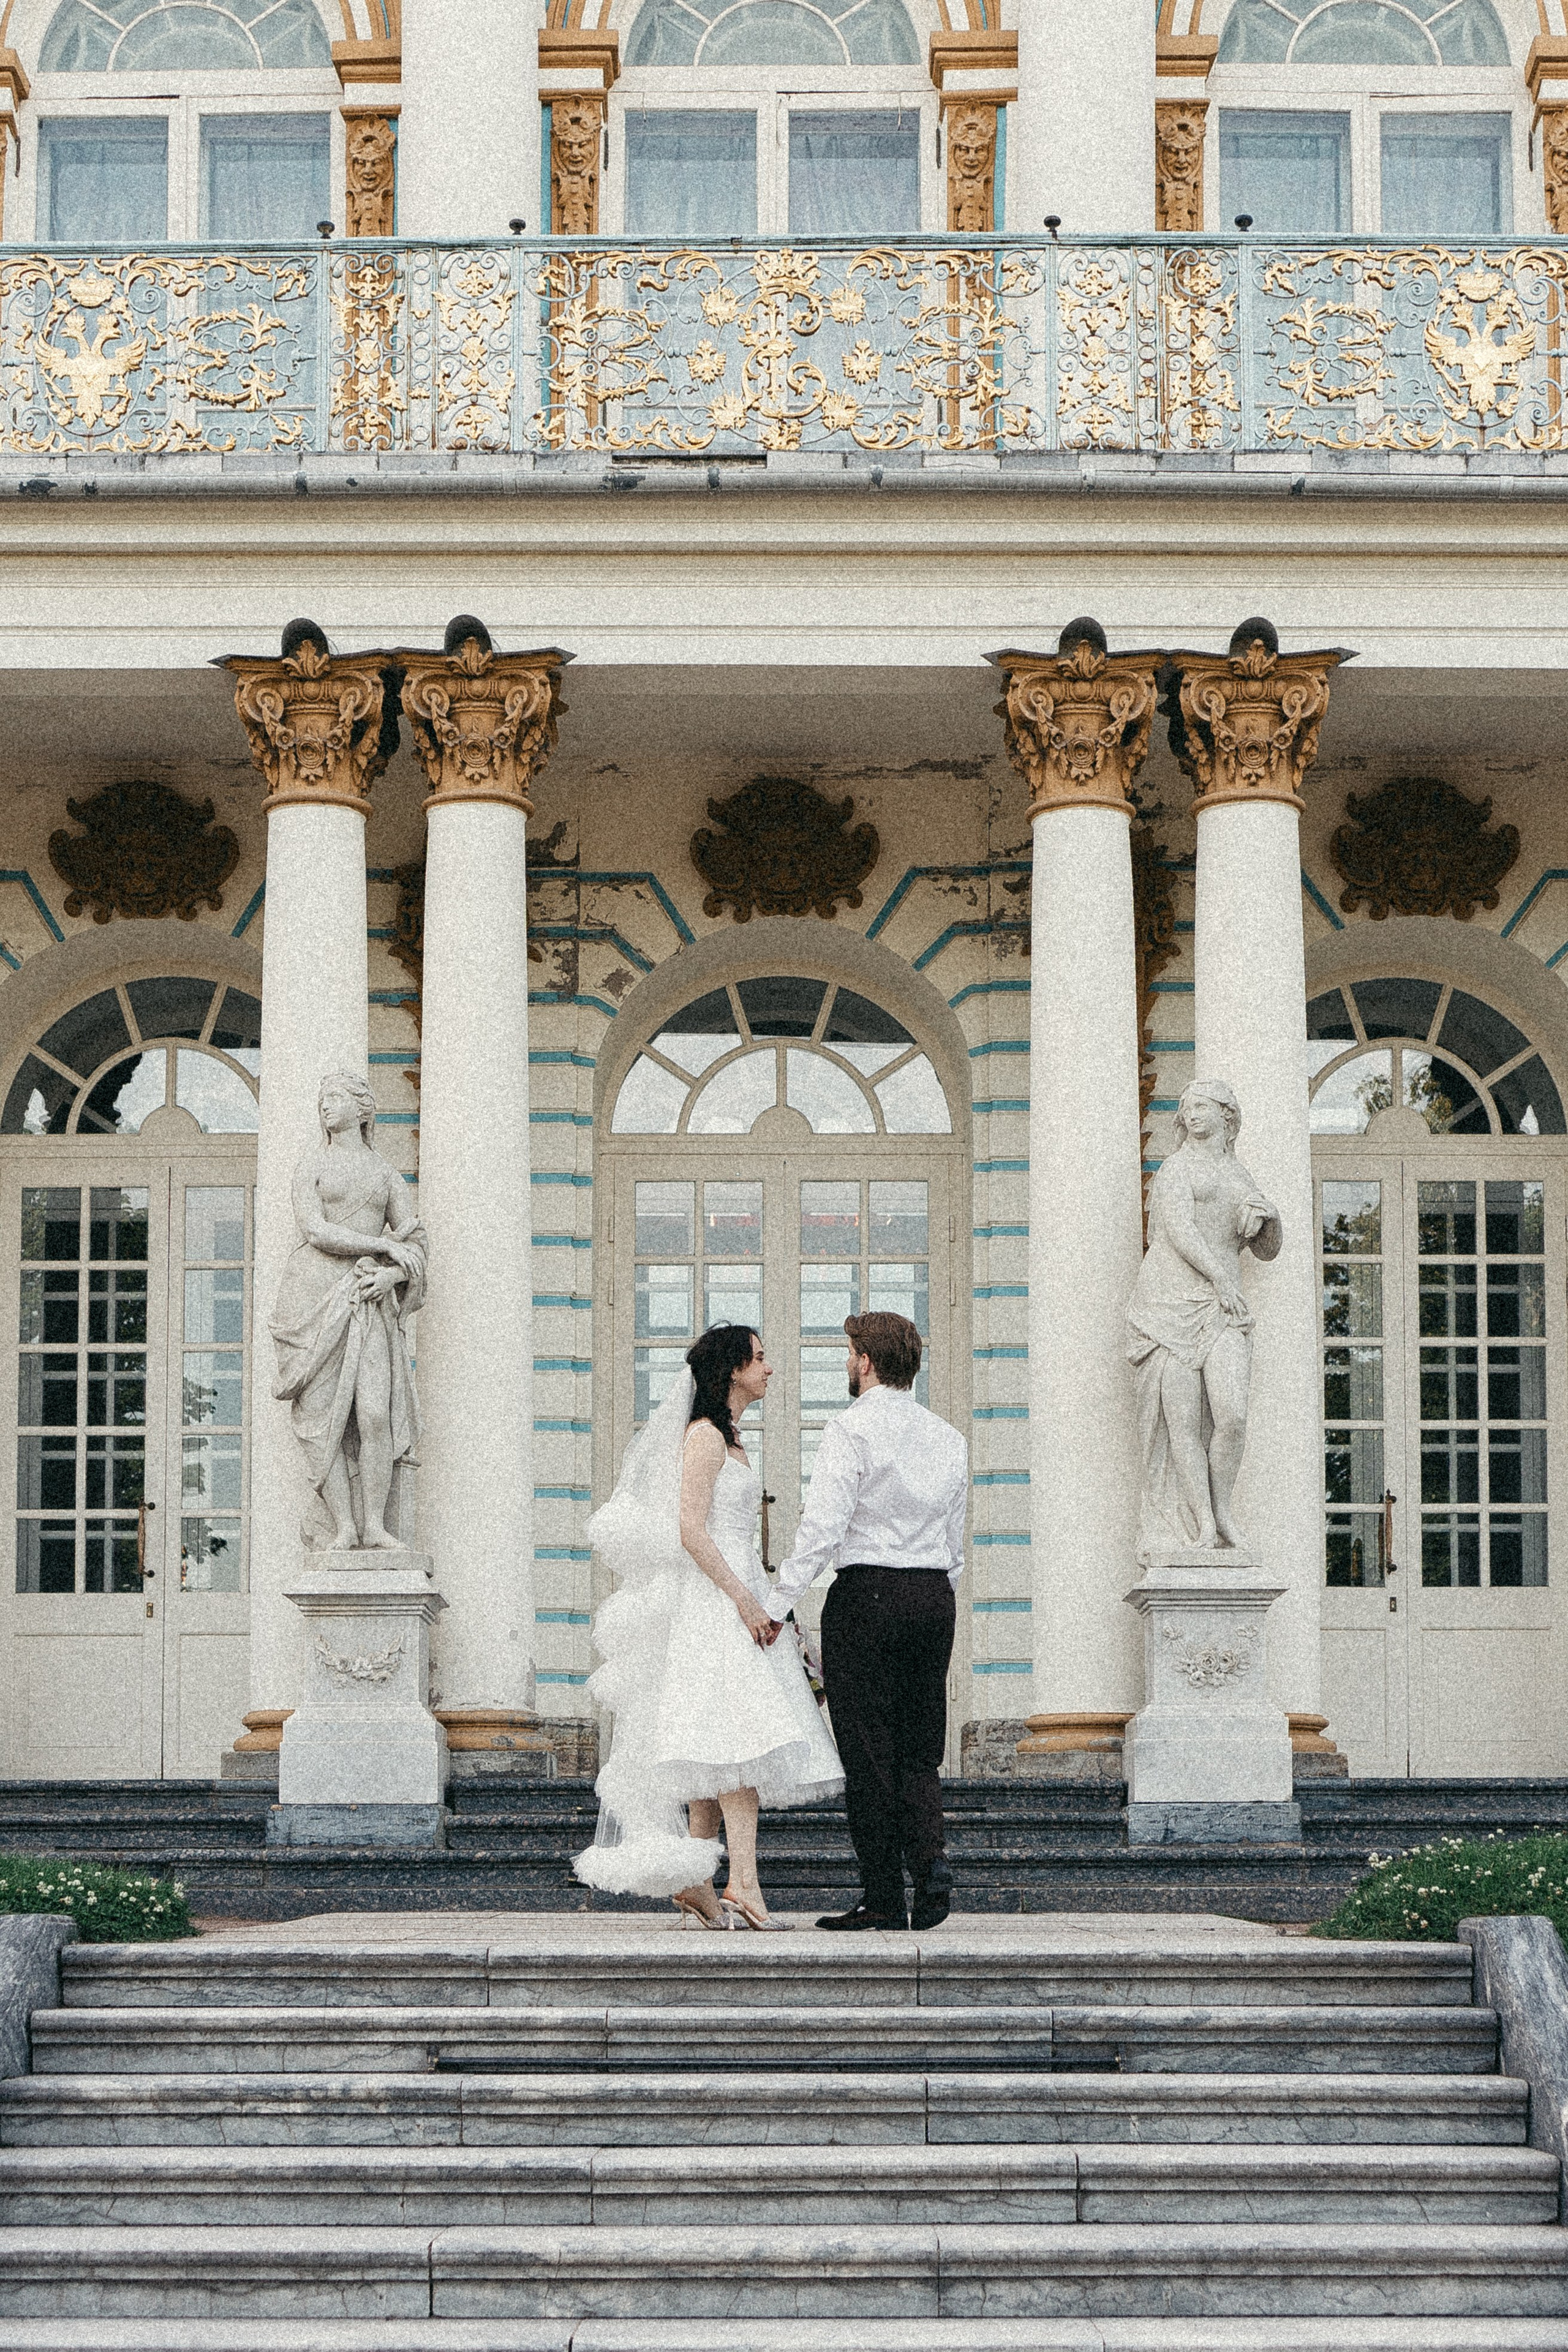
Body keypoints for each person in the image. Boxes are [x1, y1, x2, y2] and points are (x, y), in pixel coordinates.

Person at [574, 1322, 843, 1929]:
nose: (770, 1369)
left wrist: (769, 1604)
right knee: (737, 1746)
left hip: (741, 1594)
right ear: (732, 1371)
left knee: (714, 1747)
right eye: (761, 1358)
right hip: (716, 1603)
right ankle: (743, 1884)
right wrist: (745, 1600)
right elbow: (690, 1530)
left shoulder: (732, 1440)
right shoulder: (703, 1439)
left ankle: (697, 1879)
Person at [764, 1311, 968, 1933]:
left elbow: (823, 1527)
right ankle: (929, 1867)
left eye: (849, 1353)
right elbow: (954, 1540)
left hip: (867, 1596)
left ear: (865, 1362)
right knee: (919, 1749)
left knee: (869, 1752)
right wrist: (934, 1588)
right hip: (932, 1597)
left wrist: (777, 1605)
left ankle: (883, 1896)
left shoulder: (849, 1429)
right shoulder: (948, 1436)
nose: (845, 1363)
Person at [1125, 1077, 1281, 1561]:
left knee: (1232, 1414)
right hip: (1170, 1302)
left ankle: (1224, 1510)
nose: (1191, 1114)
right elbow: (1179, 1231)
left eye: (1201, 1106)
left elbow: (1267, 1251)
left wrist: (1271, 1219)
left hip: (1222, 1305)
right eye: (1186, 1107)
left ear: (1227, 1116)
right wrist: (1221, 1280)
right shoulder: (1177, 1168)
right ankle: (1204, 1526)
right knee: (1182, 1425)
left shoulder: (1241, 1176)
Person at [270, 1069, 426, 1551]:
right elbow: (315, 1230)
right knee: (323, 1419)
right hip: (312, 1294)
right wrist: (382, 1245)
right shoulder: (310, 1165)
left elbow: (417, 1242)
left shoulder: (384, 1174)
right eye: (322, 1098)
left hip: (367, 1297)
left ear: (363, 1109)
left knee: (374, 1413)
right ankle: (344, 1526)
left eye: (334, 1097)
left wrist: (392, 1275)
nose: (325, 1105)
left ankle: (375, 1525)